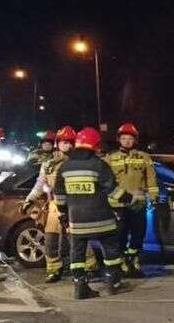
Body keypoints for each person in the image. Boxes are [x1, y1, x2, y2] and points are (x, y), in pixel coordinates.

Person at [54, 127, 127, 299]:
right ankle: (111, 282)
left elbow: (59, 195)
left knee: (77, 254)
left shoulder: (65, 167)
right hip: (102, 219)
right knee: (111, 250)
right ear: (94, 145)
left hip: (77, 221)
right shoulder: (99, 165)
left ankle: (80, 286)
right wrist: (131, 200)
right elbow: (113, 190)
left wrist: (64, 216)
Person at [22, 126, 77, 283]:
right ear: (57, 144)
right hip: (54, 206)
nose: (67, 146)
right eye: (64, 142)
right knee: (51, 238)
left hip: (73, 205)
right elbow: (39, 185)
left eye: (70, 142)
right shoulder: (48, 164)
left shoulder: (78, 162)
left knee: (76, 240)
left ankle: (85, 268)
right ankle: (54, 269)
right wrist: (29, 200)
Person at [105, 122, 158, 277]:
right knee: (120, 235)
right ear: (119, 140)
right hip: (118, 205)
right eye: (124, 138)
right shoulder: (110, 158)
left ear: (135, 140)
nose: (127, 141)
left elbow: (151, 179)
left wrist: (153, 197)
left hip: (138, 204)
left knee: (138, 234)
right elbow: (106, 181)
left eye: (130, 138)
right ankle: (121, 261)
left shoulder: (144, 157)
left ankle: (133, 259)